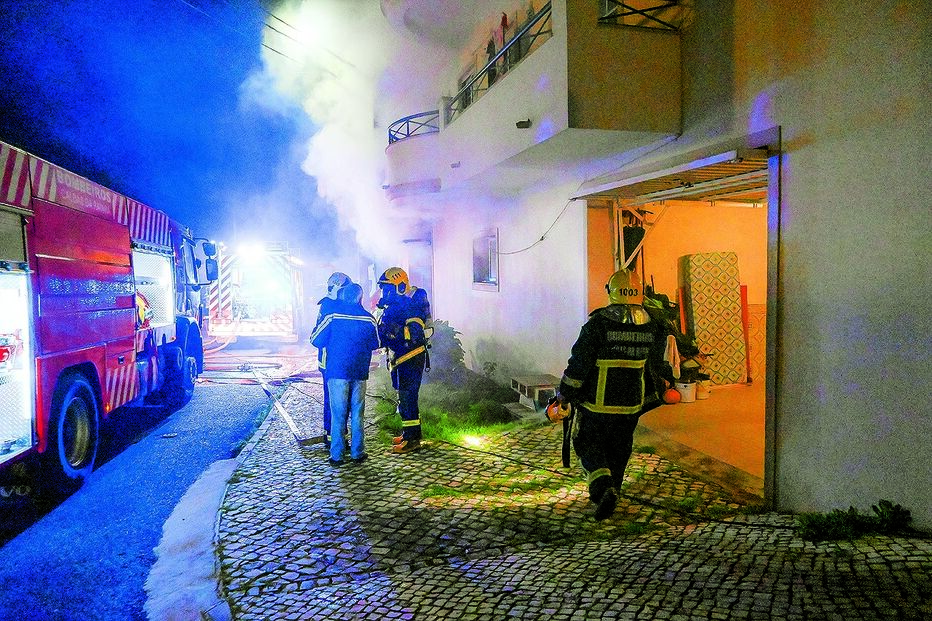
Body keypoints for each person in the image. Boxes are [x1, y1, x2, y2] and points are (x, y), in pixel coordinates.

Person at [553, 268, 675, 520]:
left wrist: (564, 394)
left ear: (611, 292)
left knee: (588, 443)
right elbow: (657, 364)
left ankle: (602, 488)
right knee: (620, 448)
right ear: (638, 293)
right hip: (631, 404)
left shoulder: (597, 325)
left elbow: (579, 365)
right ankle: (614, 490)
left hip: (597, 404)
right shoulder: (654, 326)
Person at [310, 283, 380, 466]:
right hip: (359, 372)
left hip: (337, 372)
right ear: (360, 297)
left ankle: (337, 456)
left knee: (338, 414)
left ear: (342, 296)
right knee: (358, 413)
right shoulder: (368, 318)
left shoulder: (332, 316)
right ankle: (358, 453)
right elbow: (376, 343)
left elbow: (315, 339)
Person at [376, 267, 429, 454]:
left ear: (399, 286)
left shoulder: (408, 305)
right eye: (384, 289)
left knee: (408, 398)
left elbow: (412, 334)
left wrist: (391, 333)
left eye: (388, 288)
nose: (385, 293)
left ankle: (412, 440)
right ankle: (409, 433)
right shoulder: (397, 306)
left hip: (410, 357)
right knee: (404, 397)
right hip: (401, 358)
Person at [313, 271, 351, 447]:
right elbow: (317, 337)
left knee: (343, 402)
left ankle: (339, 436)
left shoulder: (333, 304)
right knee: (332, 402)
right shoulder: (329, 306)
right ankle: (332, 438)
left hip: (340, 362)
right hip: (330, 363)